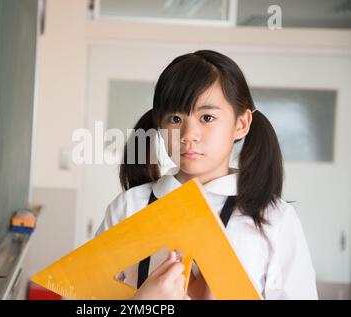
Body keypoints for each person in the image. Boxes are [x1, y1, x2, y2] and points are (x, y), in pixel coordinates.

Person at [95, 50, 318, 300]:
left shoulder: (274, 217)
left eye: (207, 117)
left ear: (241, 124)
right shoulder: (129, 207)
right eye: (175, 118)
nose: (189, 134)